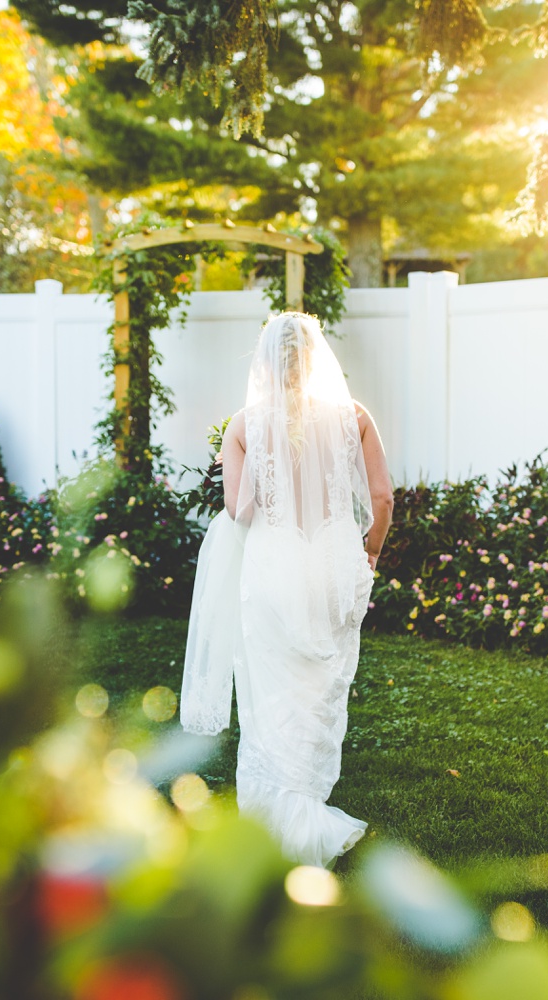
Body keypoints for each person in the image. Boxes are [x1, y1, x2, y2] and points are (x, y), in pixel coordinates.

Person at [180, 311, 394, 868]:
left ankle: (277, 813)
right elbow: (384, 501)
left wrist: (261, 462)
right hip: (333, 563)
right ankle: (306, 802)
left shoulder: (244, 425)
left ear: (266, 362)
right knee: (320, 686)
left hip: (273, 569)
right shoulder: (355, 417)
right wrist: (370, 551)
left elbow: (239, 510)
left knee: (270, 686)